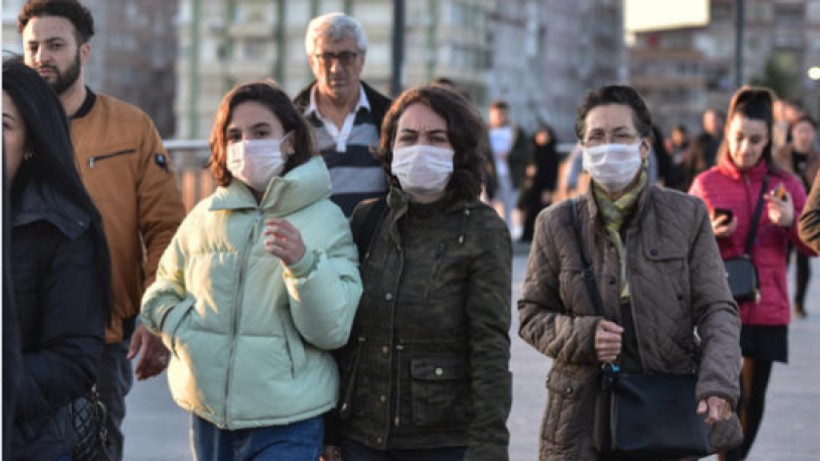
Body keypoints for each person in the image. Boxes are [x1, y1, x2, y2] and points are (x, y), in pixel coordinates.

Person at [140, 80, 362, 460]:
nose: (246, 144)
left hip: (288, 418)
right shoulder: (205, 215)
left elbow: (332, 330)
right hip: (210, 415)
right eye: (235, 135)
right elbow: (163, 288)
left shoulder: (326, 219)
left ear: (289, 141)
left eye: (261, 132)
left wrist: (303, 265)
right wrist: (181, 331)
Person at [518, 85, 742, 460]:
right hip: (580, 415)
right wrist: (582, 335)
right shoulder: (555, 223)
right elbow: (531, 314)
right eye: (597, 136)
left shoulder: (687, 215)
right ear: (584, 148)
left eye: (621, 135)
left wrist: (718, 382)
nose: (608, 145)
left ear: (644, 146)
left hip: (665, 407)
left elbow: (717, 307)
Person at [17, 1, 186, 458]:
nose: (41, 57)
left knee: (96, 447)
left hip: (102, 338)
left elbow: (166, 229)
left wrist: (156, 317)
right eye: (32, 46)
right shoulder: (11, 130)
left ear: (84, 52)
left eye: (55, 45)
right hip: (17, 338)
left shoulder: (130, 128)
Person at [332, 85, 512, 460]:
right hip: (360, 436)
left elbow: (489, 346)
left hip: (441, 440)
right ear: (390, 147)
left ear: (458, 150)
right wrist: (330, 430)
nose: (420, 148)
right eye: (409, 137)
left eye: (436, 138)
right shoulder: (367, 218)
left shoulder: (482, 228)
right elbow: (341, 334)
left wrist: (489, 446)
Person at [689, 86, 815, 461]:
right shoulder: (706, 183)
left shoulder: (786, 184)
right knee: (725, 395)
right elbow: (680, 252)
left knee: (752, 398)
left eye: (755, 140)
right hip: (718, 307)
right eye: (739, 137)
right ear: (727, 131)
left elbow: (812, 245)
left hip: (767, 307)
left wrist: (793, 222)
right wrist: (707, 234)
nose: (745, 147)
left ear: (769, 140)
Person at [4, 58, 110, 460]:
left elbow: (72, 360)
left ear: (31, 143)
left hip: (31, 442)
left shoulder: (63, 228)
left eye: (4, 125)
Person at [294, 12, 391, 217]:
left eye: (346, 57)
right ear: (312, 62)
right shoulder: (292, 121)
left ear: (362, 60)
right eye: (327, 57)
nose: (336, 68)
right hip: (312, 245)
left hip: (375, 245)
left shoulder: (388, 116)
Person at [774, 115, 820, 318]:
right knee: (781, 260)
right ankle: (778, 298)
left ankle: (799, 302)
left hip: (804, 214)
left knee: (803, 263)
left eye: (808, 131)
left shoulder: (817, 160)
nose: (804, 135)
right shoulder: (779, 158)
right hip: (781, 217)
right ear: (792, 134)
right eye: (800, 130)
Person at [487, 99, 532, 237]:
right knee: (489, 205)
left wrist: (508, 156)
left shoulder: (516, 131)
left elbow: (526, 153)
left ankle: (505, 234)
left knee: (509, 207)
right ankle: (489, 234)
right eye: (496, 115)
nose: (499, 118)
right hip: (490, 175)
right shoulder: (484, 132)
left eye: (502, 114)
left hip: (511, 175)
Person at [519, 123, 560, 242]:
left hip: (544, 187)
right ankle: (527, 235)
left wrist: (549, 189)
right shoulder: (532, 151)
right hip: (531, 187)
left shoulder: (551, 153)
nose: (543, 137)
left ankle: (542, 235)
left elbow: (553, 173)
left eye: (545, 135)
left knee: (543, 212)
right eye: (540, 135)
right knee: (529, 211)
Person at [683, 108, 724, 190]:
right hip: (704, 183)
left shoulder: (726, 140)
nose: (714, 123)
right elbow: (690, 164)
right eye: (710, 121)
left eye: (716, 120)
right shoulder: (699, 142)